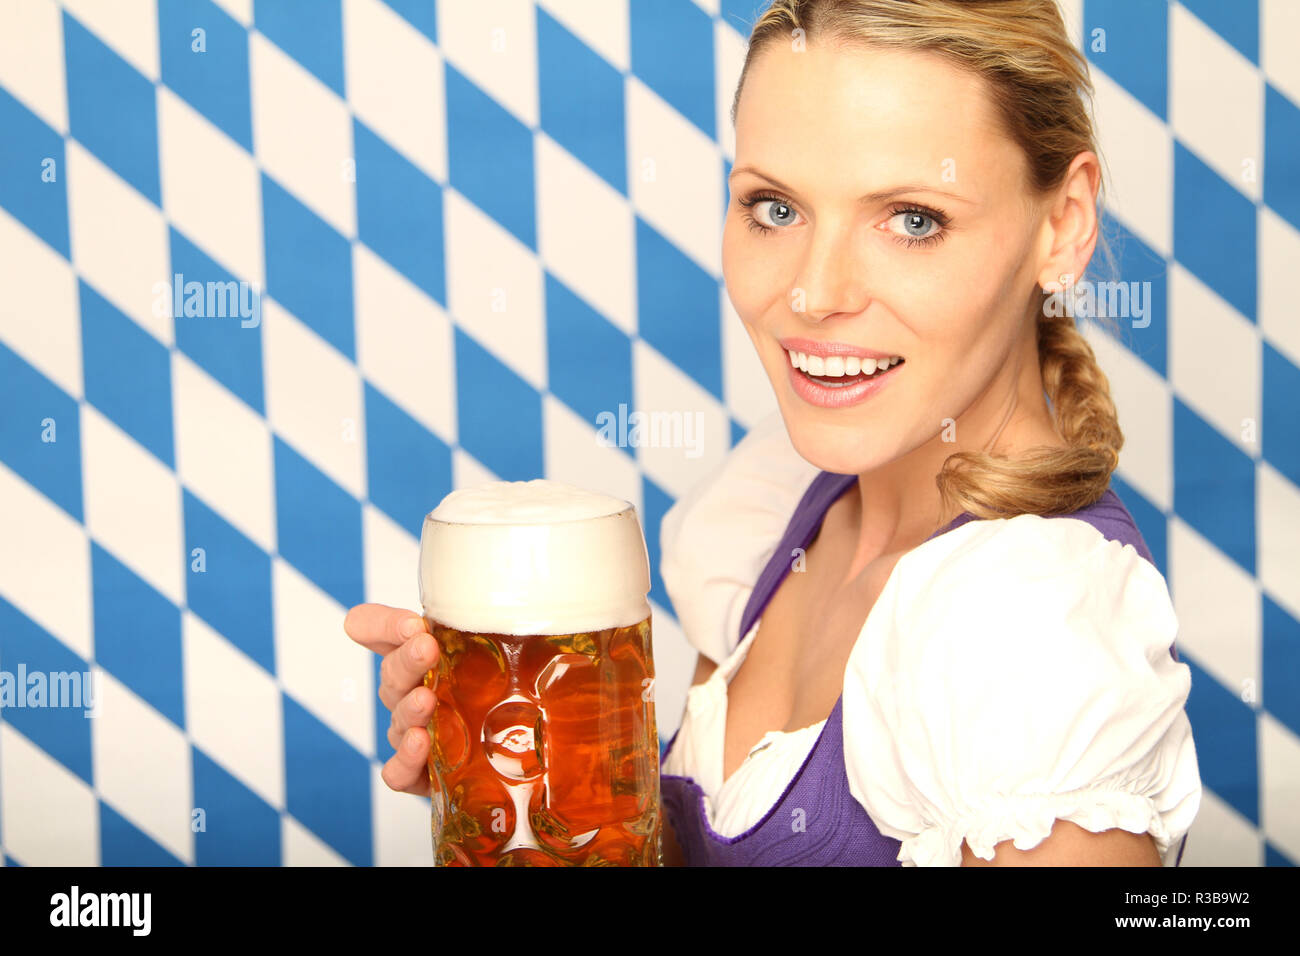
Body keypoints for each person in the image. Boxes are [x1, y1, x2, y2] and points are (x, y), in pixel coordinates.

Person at [344, 0, 1201, 866]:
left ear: (1063, 224)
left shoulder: (1034, 630)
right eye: (776, 209)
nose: (813, 294)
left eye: (913, 218)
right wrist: (542, 806)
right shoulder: (787, 493)